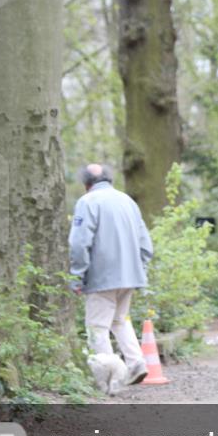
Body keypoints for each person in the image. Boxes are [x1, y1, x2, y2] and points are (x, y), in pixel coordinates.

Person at [68, 163, 152, 386]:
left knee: (97, 327)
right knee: (120, 320)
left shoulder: (87, 202)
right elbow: (145, 243)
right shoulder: (128, 202)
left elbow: (79, 243)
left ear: (86, 184)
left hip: (102, 276)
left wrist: (77, 276)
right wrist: (139, 267)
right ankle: (136, 364)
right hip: (130, 275)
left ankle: (107, 377)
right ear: (109, 180)